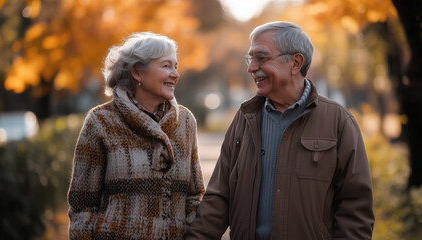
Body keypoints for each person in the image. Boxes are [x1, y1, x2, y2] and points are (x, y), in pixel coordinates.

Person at [185, 21, 374, 239]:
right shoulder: (244, 119)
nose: (251, 67)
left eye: (261, 58)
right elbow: (219, 198)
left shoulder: (338, 121)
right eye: (250, 58)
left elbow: (355, 208)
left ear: (295, 63)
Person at [68, 32, 205, 239]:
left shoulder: (185, 122)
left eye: (175, 66)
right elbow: (82, 206)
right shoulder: (101, 121)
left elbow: (194, 198)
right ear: (137, 73)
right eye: (166, 66)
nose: (175, 74)